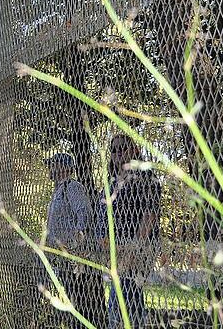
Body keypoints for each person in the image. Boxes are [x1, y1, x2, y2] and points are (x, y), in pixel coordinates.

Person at [97, 134, 161, 329]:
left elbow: (150, 213)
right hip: (115, 247)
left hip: (136, 245)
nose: (117, 153)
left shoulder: (145, 176)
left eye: (123, 148)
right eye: (114, 150)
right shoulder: (112, 181)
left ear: (135, 150)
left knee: (124, 297)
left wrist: (136, 246)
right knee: (125, 296)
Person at [44, 153, 104, 329]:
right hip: (61, 256)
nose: (50, 168)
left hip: (73, 256)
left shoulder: (73, 187)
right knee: (70, 300)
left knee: (79, 301)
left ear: (66, 168)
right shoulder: (58, 190)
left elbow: (84, 214)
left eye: (54, 164)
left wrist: (77, 243)